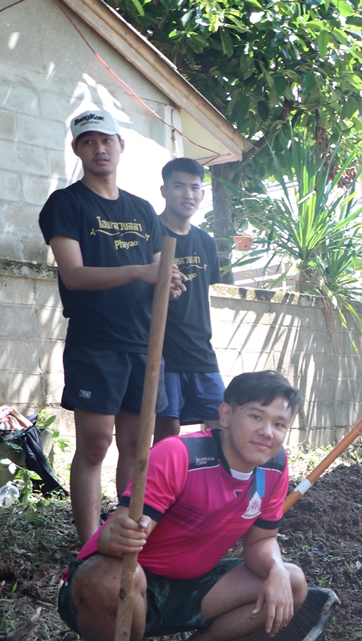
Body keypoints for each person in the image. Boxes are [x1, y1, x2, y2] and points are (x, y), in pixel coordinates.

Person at [57, 371, 307, 641]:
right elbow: (109, 541)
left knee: (292, 581)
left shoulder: (275, 465)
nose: (267, 433)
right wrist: (121, 535)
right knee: (110, 578)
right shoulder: (179, 455)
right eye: (256, 416)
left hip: (190, 589)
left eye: (279, 424)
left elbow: (261, 541)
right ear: (226, 415)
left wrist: (275, 569)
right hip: (118, 587)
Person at [39, 109, 185, 544]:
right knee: (96, 443)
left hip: (144, 340)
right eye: (88, 142)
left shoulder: (141, 209)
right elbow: (75, 275)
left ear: (121, 146)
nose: (99, 148)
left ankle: (123, 531)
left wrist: (168, 277)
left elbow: (160, 263)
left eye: (107, 140)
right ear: (77, 150)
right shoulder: (66, 204)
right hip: (96, 340)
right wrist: (141, 271)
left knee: (138, 447)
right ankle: (88, 542)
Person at [154, 158, 225, 441]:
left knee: (221, 426)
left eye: (195, 188)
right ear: (164, 190)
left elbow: (201, 295)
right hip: (163, 352)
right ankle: (162, 485)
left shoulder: (206, 241)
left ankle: (209, 485)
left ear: (202, 195)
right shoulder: (151, 235)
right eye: (179, 186)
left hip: (201, 352)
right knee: (167, 431)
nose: (188, 194)